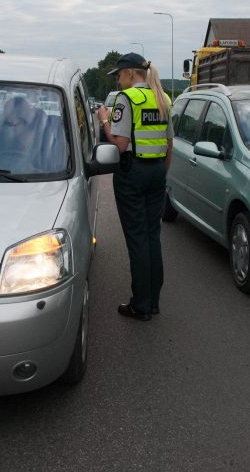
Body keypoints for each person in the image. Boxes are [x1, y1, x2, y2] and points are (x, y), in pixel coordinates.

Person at [97, 52, 174, 322]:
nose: (118, 80)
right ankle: (152, 301)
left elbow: (119, 144)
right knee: (152, 237)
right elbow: (169, 143)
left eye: (119, 75)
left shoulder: (127, 100)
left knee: (137, 239)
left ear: (130, 73)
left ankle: (140, 305)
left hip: (133, 174)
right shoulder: (163, 97)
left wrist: (104, 120)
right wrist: (162, 176)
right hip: (156, 172)